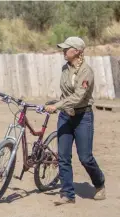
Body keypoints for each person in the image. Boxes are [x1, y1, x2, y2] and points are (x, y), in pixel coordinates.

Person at [45, 36, 106, 205]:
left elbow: (79, 96)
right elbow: (66, 93)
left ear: (77, 51)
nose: (64, 51)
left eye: (67, 48)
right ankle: (68, 194)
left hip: (82, 117)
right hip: (65, 115)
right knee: (63, 156)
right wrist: (56, 103)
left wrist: (58, 105)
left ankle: (100, 183)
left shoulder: (86, 72)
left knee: (85, 157)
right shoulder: (65, 68)